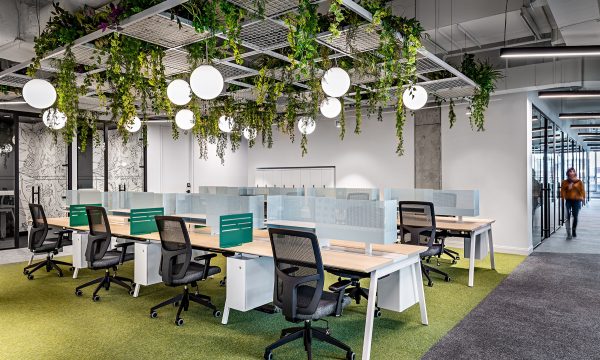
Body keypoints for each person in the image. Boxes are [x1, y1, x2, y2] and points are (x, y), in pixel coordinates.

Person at [560, 167, 585, 239]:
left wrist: (583, 199)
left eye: (573, 171)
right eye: (570, 171)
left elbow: (582, 191)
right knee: (567, 216)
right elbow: (562, 192)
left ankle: (574, 230)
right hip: (568, 200)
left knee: (575, 216)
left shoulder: (579, 182)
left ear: (575, 173)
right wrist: (568, 188)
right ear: (568, 173)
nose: (571, 172)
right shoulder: (564, 182)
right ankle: (568, 233)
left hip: (577, 201)